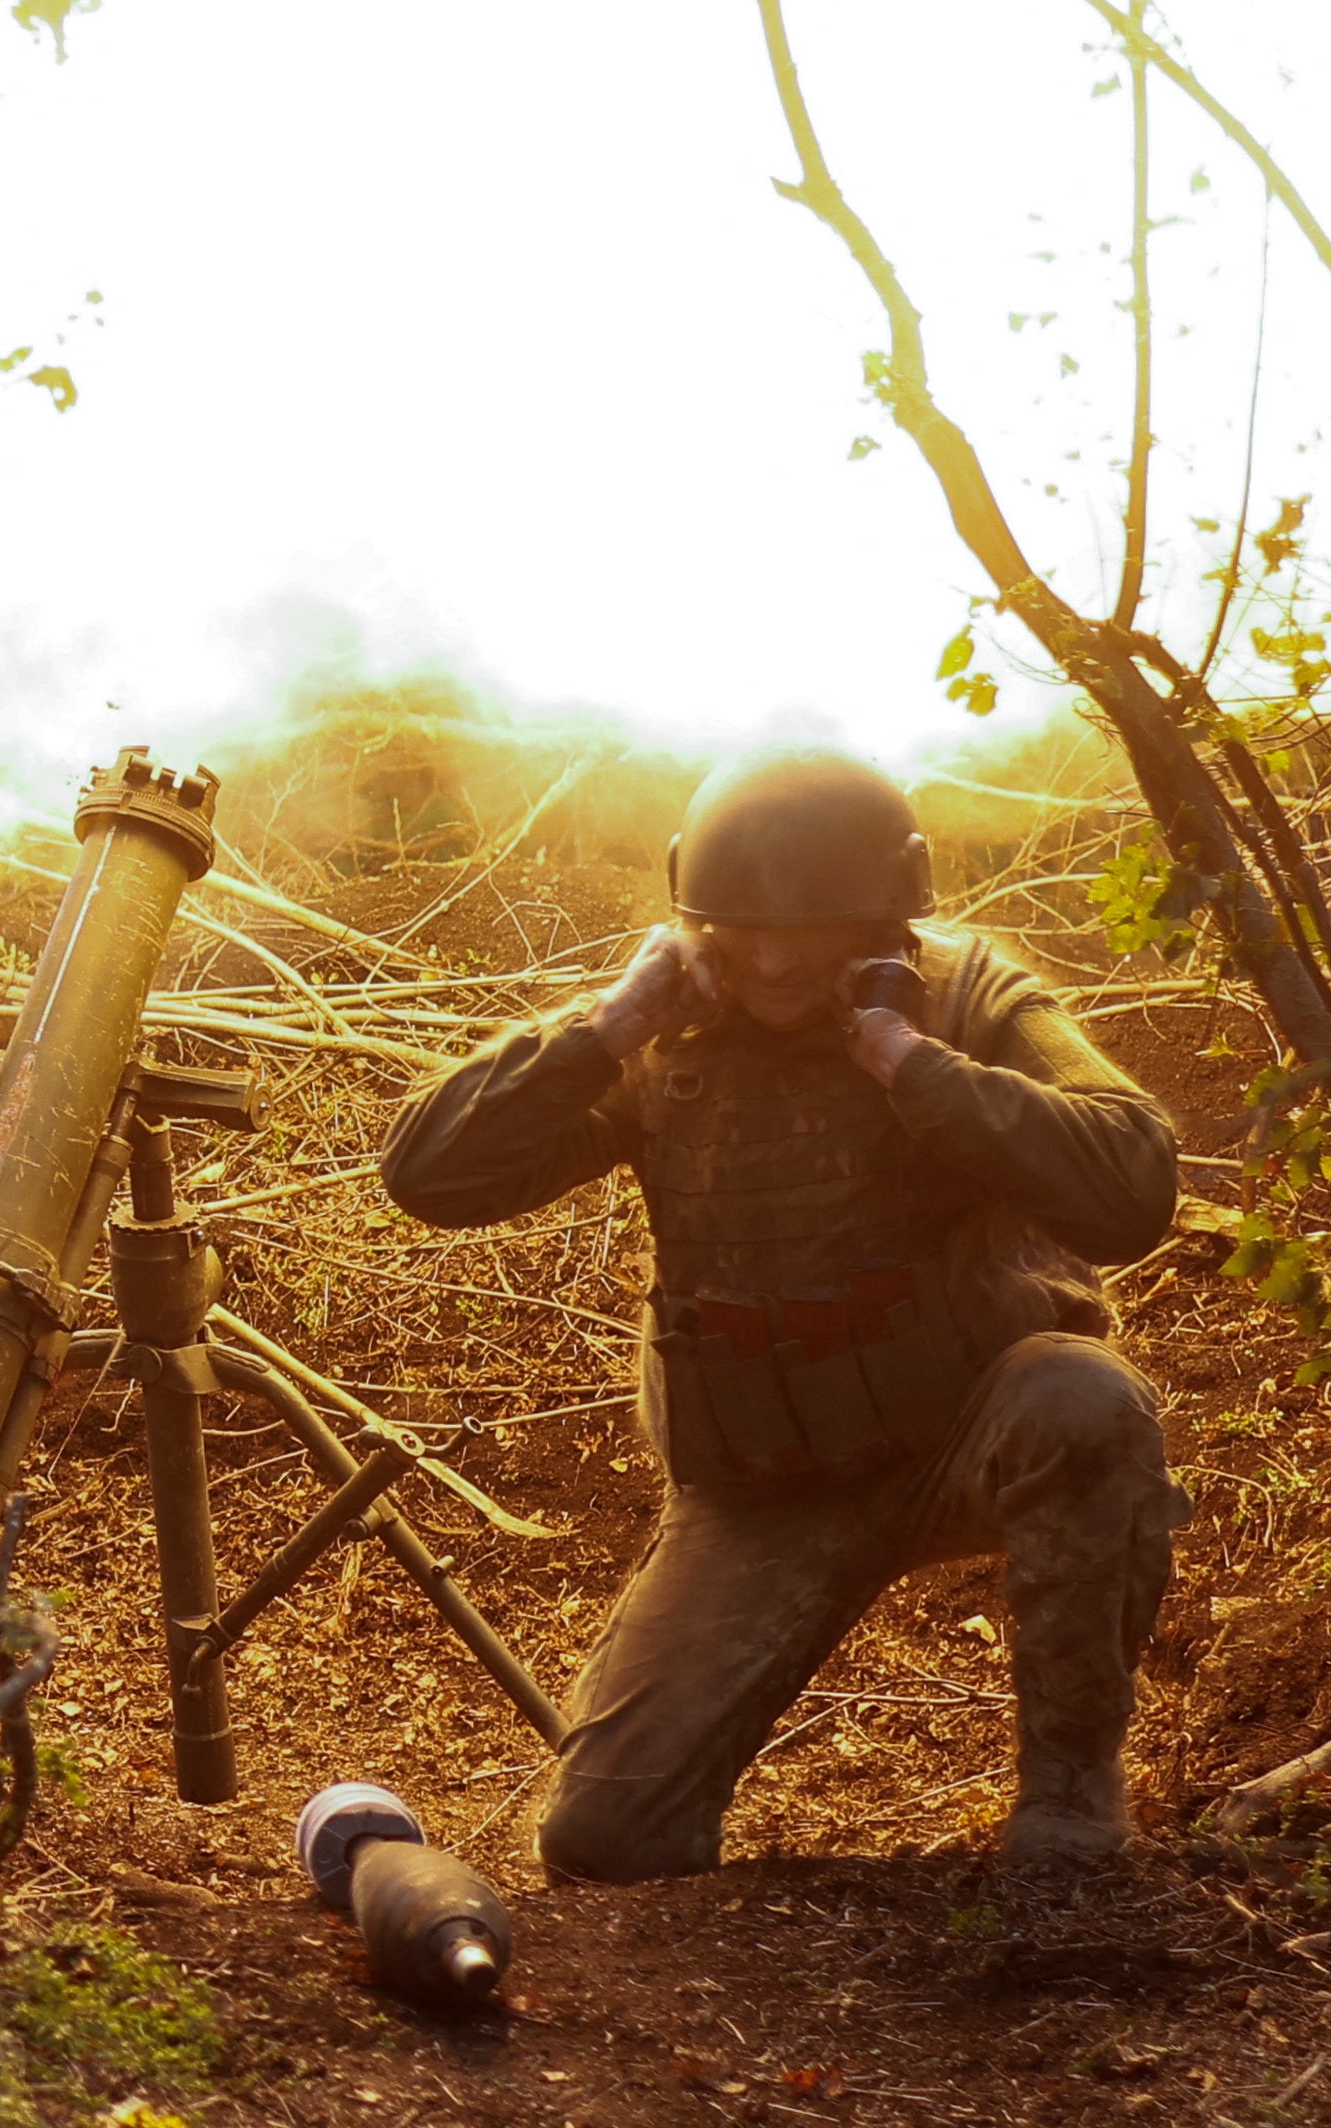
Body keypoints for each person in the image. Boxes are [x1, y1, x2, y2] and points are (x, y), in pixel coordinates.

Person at [377, 748, 1187, 1879]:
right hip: (767, 1487)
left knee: (1082, 1397)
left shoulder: (964, 998)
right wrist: (604, 1029)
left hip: (968, 1427)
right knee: (608, 1841)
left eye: (803, 930)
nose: (766, 957)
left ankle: (1070, 1798)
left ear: (883, 915)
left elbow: (1136, 1182)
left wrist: (917, 1068)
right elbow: (427, 1175)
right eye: (735, 927)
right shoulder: (661, 1038)